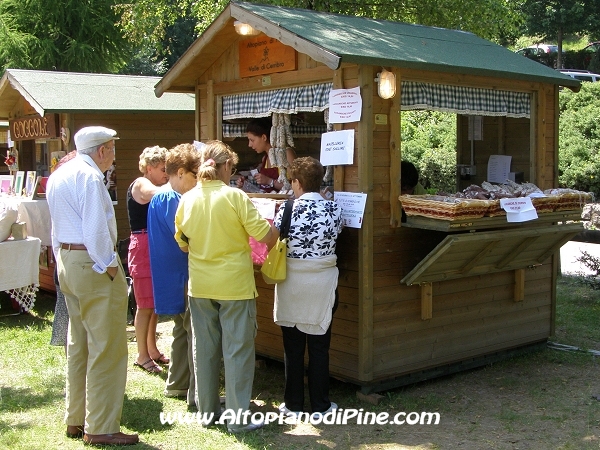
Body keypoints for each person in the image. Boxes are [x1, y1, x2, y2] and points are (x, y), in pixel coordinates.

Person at [174, 140, 278, 432]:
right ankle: (237, 418)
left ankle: (207, 413)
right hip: (235, 286)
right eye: (231, 167)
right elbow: (265, 237)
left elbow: (182, 244)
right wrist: (278, 227)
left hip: (201, 285)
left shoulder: (187, 199)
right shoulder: (236, 197)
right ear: (225, 167)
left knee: (204, 351)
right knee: (238, 353)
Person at [47, 126, 139, 445]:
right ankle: (100, 427)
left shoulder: (60, 173)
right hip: (92, 263)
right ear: (101, 151)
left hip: (69, 261)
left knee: (80, 344)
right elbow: (96, 229)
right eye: (112, 149)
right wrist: (112, 267)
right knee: (108, 347)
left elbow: (57, 225)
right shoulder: (89, 177)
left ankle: (77, 418)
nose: (114, 156)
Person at [273, 157, 343, 419]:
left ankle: (292, 404)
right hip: (323, 284)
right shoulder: (334, 210)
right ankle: (321, 406)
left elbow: (276, 237)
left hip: (292, 282)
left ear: (297, 182)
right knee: (319, 346)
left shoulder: (287, 209)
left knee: (292, 347)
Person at [147, 143, 199, 406]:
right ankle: (194, 390)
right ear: (180, 172)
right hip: (180, 272)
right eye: (194, 175)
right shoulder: (171, 198)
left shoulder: (163, 196)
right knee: (192, 330)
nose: (197, 180)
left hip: (172, 272)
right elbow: (186, 236)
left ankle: (177, 383)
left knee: (181, 329)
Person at [127, 146, 170, 374]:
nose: (166, 174)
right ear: (150, 168)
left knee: (153, 305)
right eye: (164, 169)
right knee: (144, 305)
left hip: (152, 245)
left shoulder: (156, 183)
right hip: (142, 246)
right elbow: (157, 194)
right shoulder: (141, 183)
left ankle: (152, 349)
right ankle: (142, 355)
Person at [236, 117, 296, 193]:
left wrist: (269, 181)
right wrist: (245, 185)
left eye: (252, 140)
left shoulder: (286, 153)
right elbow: (263, 191)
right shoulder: (264, 159)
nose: (249, 145)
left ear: (264, 137)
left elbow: (296, 187)